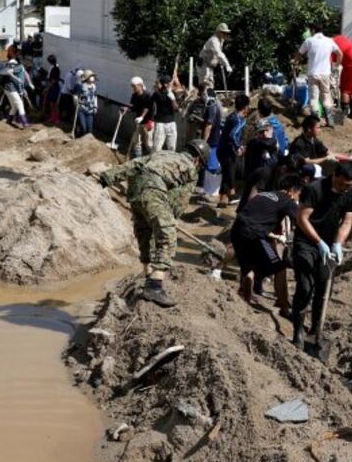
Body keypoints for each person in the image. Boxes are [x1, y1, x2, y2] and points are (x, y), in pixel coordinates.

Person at [99, 140, 211, 307]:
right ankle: (154, 287)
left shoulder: (163, 154)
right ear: (197, 160)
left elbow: (134, 164)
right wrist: (169, 219)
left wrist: (107, 178)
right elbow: (179, 202)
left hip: (135, 192)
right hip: (154, 191)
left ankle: (147, 273)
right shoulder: (191, 169)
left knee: (144, 233)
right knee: (168, 235)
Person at [292, 161, 352, 356]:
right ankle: (298, 330)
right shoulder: (315, 189)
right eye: (343, 184)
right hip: (306, 241)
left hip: (329, 244)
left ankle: (315, 332)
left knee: (323, 287)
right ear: (335, 176)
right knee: (305, 286)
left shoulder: (351, 193)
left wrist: (338, 243)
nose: (345, 189)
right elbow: (302, 219)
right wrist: (318, 242)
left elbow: (347, 221)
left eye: (350, 185)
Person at [232, 174, 303, 314]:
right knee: (279, 267)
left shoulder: (263, 194)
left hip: (237, 231)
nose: (296, 199)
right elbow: (301, 221)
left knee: (249, 268)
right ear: (291, 190)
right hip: (255, 235)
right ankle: (284, 308)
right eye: (298, 195)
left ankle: (245, 301)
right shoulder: (287, 200)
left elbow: (251, 216)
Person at [296, 24, 342, 123]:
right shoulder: (329, 41)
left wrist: (295, 62)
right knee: (326, 96)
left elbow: (299, 54)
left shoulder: (309, 41)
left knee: (314, 98)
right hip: (325, 74)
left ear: (313, 30)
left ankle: (315, 121)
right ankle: (330, 120)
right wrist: (335, 66)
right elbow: (340, 53)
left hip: (313, 74)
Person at [239, 118, 280, 212]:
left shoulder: (272, 141)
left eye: (266, 130)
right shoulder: (255, 143)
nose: (264, 134)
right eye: (261, 132)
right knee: (250, 203)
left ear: (271, 129)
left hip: (270, 177)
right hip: (256, 177)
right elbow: (269, 143)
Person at [216, 94, 249, 207]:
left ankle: (222, 201)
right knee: (229, 174)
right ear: (245, 107)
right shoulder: (238, 120)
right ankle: (232, 194)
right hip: (228, 152)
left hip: (221, 149)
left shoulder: (232, 116)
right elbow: (233, 134)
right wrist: (238, 147)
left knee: (226, 174)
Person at [151, 75, 179, 152]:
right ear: (165, 84)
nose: (171, 84)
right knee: (157, 147)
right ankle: (155, 161)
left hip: (171, 122)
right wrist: (150, 119)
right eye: (170, 83)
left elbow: (176, 109)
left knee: (172, 147)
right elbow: (151, 106)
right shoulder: (157, 94)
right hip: (160, 123)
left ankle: (170, 162)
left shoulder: (173, 93)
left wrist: (173, 99)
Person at [199, 23, 232, 88]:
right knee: (205, 83)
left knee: (211, 84)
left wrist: (220, 61)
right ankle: (203, 97)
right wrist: (227, 65)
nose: (225, 34)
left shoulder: (221, 40)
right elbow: (218, 53)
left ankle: (209, 97)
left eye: (226, 33)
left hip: (209, 64)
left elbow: (217, 53)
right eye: (223, 33)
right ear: (219, 32)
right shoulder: (214, 40)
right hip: (203, 63)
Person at [128, 76, 154, 158]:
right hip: (138, 121)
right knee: (136, 141)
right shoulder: (134, 95)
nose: (133, 88)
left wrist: (143, 118)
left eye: (134, 86)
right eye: (132, 86)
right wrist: (127, 109)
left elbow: (148, 108)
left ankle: (151, 158)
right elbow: (133, 107)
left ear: (140, 85)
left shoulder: (148, 95)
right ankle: (138, 158)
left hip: (148, 121)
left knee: (148, 142)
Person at [5, 58, 32, 128]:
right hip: (11, 89)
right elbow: (9, 72)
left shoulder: (22, 70)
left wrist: (24, 89)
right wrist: (18, 79)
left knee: (14, 106)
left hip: (10, 89)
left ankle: (9, 120)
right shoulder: (19, 67)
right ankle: (25, 123)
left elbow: (22, 81)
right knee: (20, 104)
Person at [76, 70, 98, 137]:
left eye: (93, 76)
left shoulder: (94, 87)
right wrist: (77, 102)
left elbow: (95, 97)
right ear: (87, 78)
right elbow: (77, 96)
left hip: (90, 110)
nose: (93, 78)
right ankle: (78, 138)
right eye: (91, 76)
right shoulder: (82, 86)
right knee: (83, 128)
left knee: (89, 130)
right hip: (82, 109)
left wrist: (95, 107)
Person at [45, 54, 62, 124]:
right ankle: (53, 117)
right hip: (53, 86)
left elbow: (53, 80)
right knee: (52, 103)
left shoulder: (55, 68)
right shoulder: (54, 67)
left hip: (54, 87)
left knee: (54, 104)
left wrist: (47, 88)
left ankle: (56, 118)